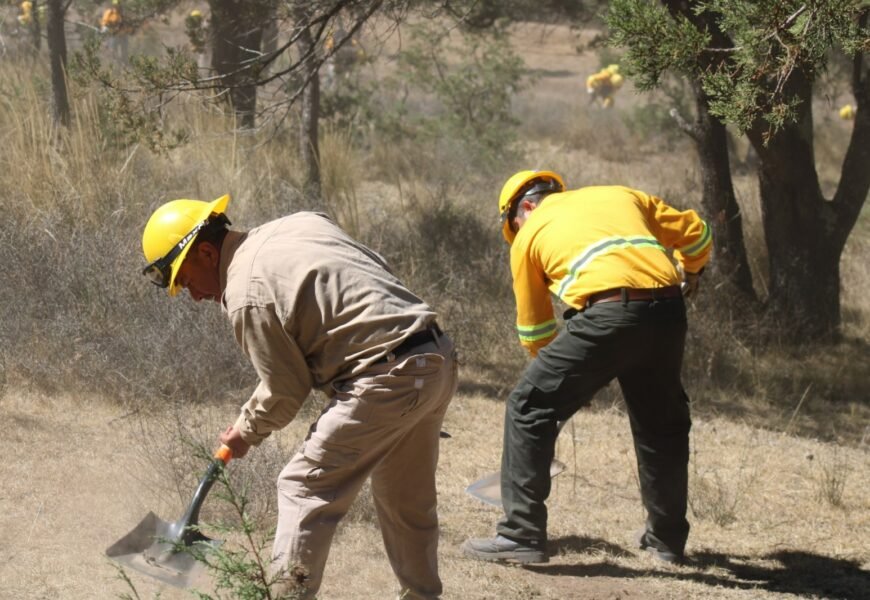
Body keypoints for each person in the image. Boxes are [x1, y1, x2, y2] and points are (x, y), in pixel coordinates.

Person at [140, 196, 457, 599]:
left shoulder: (246, 292)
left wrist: (246, 431)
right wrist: (246, 421)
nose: (195, 296)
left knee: (302, 488)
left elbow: (286, 391)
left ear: (205, 252)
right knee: (404, 497)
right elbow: (372, 271)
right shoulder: (299, 223)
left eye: (186, 281)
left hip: (386, 377)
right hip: (435, 358)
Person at [462, 170, 712, 565]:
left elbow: (536, 329)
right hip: (667, 310)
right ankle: (665, 541)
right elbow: (696, 233)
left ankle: (520, 535)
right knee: (661, 424)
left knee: (528, 407)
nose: (517, 231)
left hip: (607, 313)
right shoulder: (622, 195)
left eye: (514, 226)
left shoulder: (528, 234)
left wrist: (564, 386)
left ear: (524, 208)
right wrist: (692, 269)